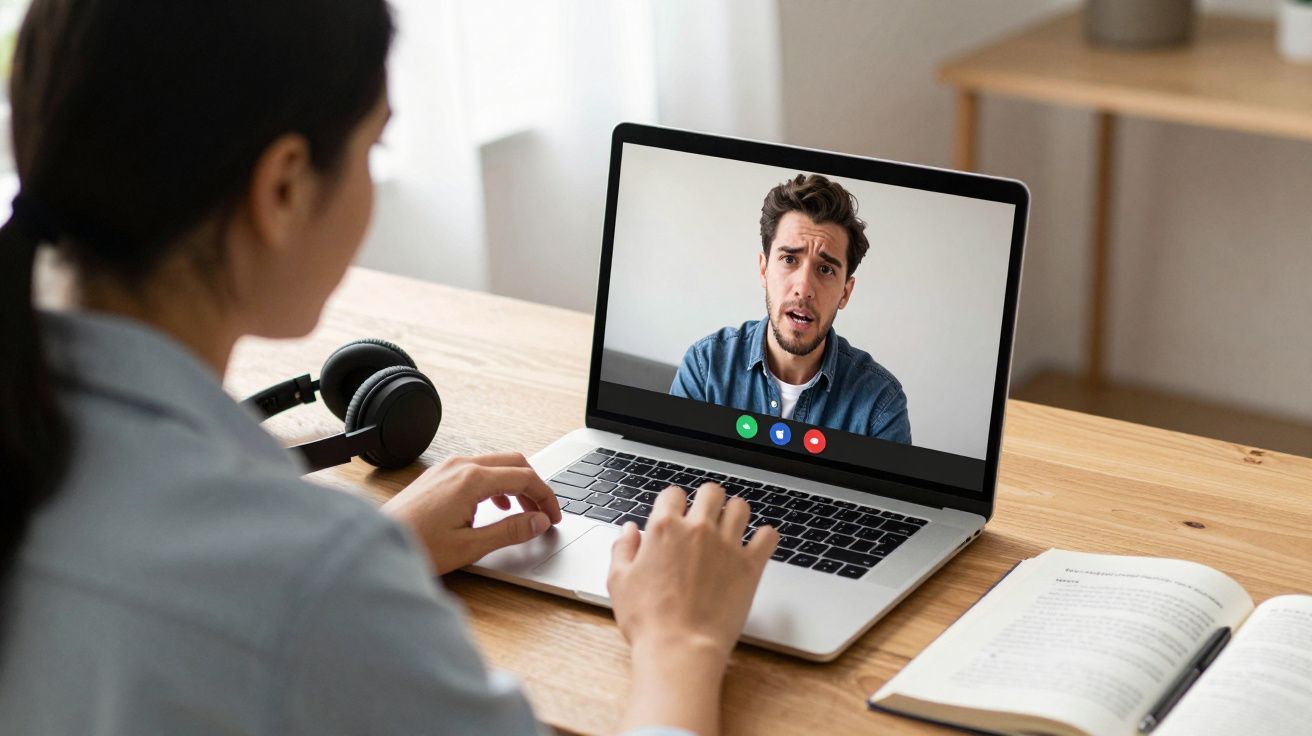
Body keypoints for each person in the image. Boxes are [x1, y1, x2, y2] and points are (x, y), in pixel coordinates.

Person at [0, 2, 778, 735]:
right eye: (373, 148)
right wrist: (683, 643)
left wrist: (370, 558)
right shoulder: (307, 584)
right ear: (281, 188)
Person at [670, 174, 912, 442]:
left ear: (845, 292)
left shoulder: (881, 404)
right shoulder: (705, 368)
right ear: (764, 269)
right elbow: (672, 475)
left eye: (825, 269)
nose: (804, 287)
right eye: (789, 259)